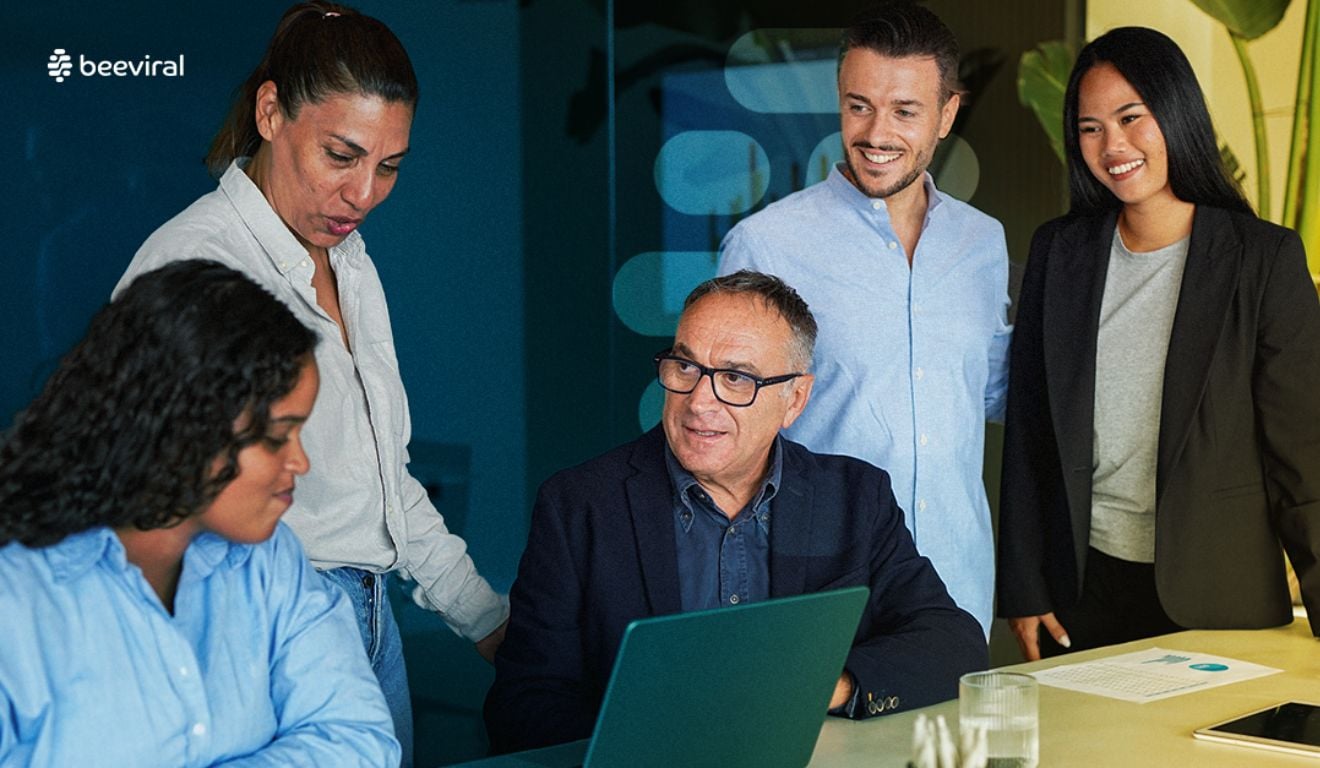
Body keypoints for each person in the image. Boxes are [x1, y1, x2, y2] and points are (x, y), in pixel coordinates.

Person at [115, 4, 508, 762]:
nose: (364, 193)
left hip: (373, 625)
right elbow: (142, 502)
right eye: (341, 155)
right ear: (270, 113)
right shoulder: (194, 264)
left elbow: (383, 483)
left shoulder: (350, 262)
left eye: (388, 167)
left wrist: (487, 620)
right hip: (264, 634)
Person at [484, 271, 986, 754]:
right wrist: (665, 739)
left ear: (795, 399)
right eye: (685, 367)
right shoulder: (579, 506)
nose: (699, 401)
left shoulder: (856, 496)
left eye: (735, 377)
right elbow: (523, 703)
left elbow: (952, 642)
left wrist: (819, 686)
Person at [996, 26, 1320, 661]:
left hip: (1218, 598)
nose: (1113, 145)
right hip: (1080, 592)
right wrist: (1024, 588)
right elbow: (1030, 433)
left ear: (1175, 111)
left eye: (1130, 118)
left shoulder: (1263, 259)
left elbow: (1305, 456)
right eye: (1090, 128)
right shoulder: (1058, 252)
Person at [0, 260, 399, 766]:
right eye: (276, 436)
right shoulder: (17, 597)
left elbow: (360, 740)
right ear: (181, 426)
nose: (300, 462)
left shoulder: (272, 562)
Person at [718, 1, 1011, 636]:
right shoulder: (766, 246)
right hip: (823, 587)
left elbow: (994, 392)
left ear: (947, 115)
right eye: (859, 106)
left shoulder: (982, 243)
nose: (877, 134)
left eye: (905, 111)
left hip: (958, 582)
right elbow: (723, 429)